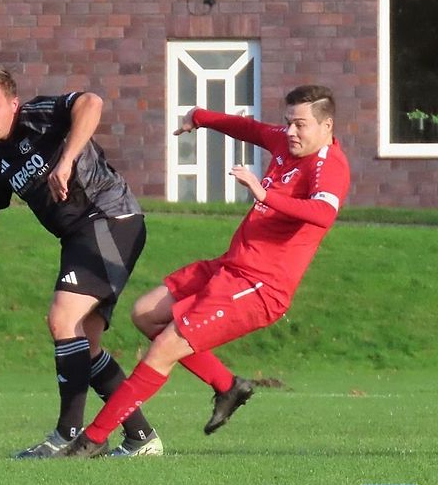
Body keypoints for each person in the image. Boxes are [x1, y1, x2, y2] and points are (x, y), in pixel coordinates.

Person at [58, 85, 351, 458]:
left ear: (327, 126)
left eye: (301, 124)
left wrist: (265, 196)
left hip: (259, 286)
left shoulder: (330, 166)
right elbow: (250, 129)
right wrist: (199, 117)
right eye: (288, 122)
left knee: (164, 348)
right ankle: (227, 386)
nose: (291, 131)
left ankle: (91, 441)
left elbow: (323, 214)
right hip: (231, 267)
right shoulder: (286, 142)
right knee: (146, 314)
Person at [0, 66, 163, 458]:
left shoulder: (38, 115)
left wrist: (66, 159)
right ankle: (141, 437)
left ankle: (68, 435)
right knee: (84, 344)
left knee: (62, 319)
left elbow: (92, 103)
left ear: (12, 103)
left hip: (111, 219)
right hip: (80, 235)